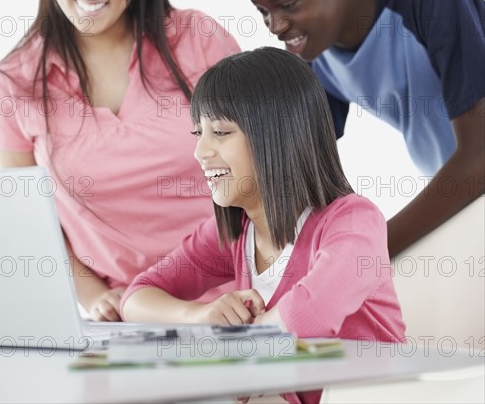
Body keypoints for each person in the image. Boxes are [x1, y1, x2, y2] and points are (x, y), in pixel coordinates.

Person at [0, 0, 240, 321]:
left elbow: (264, 170)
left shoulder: (200, 42)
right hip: (124, 312)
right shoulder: (12, 85)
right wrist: (91, 294)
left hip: (234, 293)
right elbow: (28, 221)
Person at [121, 47, 406, 404]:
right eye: (199, 133)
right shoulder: (236, 233)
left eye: (221, 132)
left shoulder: (353, 222)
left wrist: (238, 352)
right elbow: (137, 297)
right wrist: (200, 314)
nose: (200, 151)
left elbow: (310, 313)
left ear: (278, 135)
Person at [241, 0, 485, 258]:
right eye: (263, 11)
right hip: (463, 206)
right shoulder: (315, 58)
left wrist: (365, 251)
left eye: (288, 5)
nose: (275, 27)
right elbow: (300, 178)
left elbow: (480, 158)